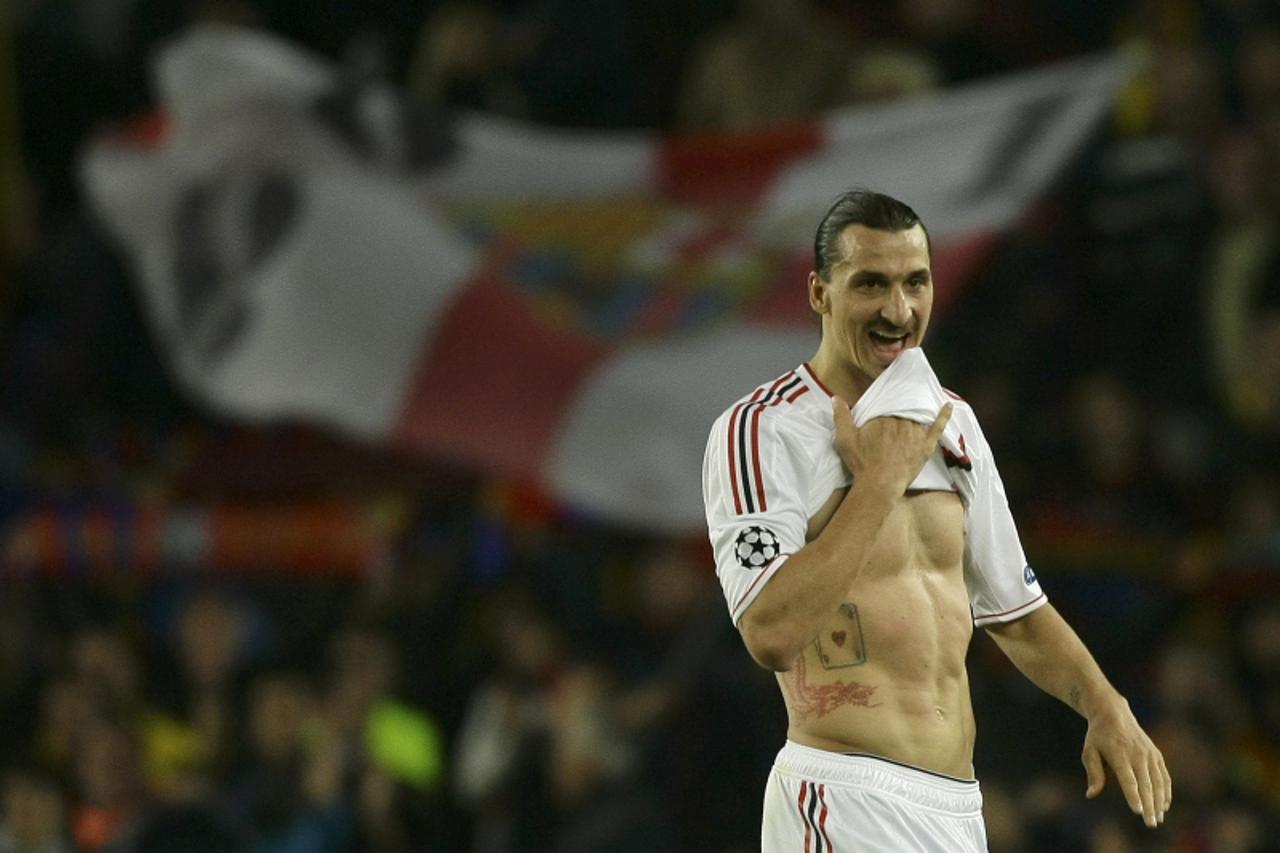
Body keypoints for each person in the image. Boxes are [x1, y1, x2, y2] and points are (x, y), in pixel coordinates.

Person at [701, 189, 1172, 851]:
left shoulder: (953, 422)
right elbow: (771, 630)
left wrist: (1105, 705)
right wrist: (880, 483)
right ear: (820, 293)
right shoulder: (761, 431)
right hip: (844, 796)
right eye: (871, 284)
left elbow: (1015, 609)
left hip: (955, 808)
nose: (899, 310)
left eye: (914, 282)